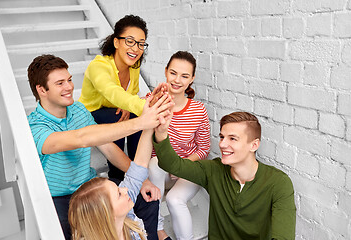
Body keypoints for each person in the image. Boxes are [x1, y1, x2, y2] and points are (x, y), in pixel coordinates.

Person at [27, 54, 172, 240]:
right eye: (60, 83)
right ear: (42, 89)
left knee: (147, 198)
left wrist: (142, 181)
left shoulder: (78, 110)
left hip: (90, 187)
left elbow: (108, 147)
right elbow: (82, 138)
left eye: (69, 80)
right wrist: (141, 123)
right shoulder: (35, 127)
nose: (69, 87)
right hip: (59, 198)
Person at [152, 111, 296, 240]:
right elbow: (173, 165)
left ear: (254, 145)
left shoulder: (278, 183)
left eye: (232, 138)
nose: (222, 144)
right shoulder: (213, 170)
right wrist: (161, 133)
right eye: (222, 137)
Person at [79, 14, 150, 181]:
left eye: (141, 44)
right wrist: (143, 106)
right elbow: (110, 90)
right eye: (130, 41)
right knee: (116, 116)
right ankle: (116, 176)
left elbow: (131, 93)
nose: (136, 48)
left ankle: (137, 168)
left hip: (112, 112)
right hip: (89, 114)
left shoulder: (134, 66)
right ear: (116, 42)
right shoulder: (99, 66)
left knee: (134, 115)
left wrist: (129, 106)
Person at [148, 51, 210, 240]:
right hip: (160, 172)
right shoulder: (151, 101)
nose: (177, 80)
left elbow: (204, 149)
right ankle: (157, 229)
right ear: (166, 72)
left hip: (188, 170)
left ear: (192, 79)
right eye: (173, 73)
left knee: (175, 200)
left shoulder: (198, 109)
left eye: (184, 76)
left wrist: (183, 165)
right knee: (154, 162)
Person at [69, 126, 168, 240]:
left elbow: (139, 166)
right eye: (119, 194)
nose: (125, 189)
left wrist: (150, 126)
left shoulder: (126, 218)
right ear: (108, 215)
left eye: (118, 188)